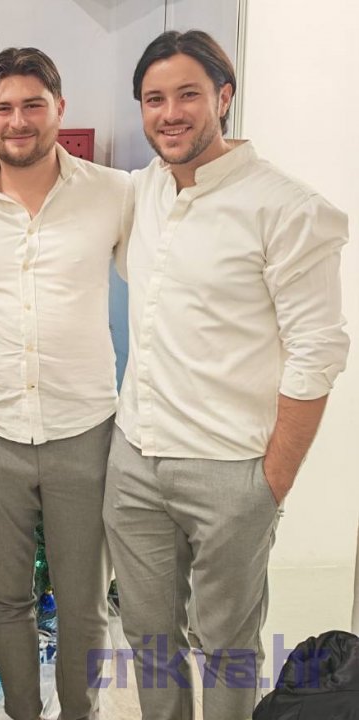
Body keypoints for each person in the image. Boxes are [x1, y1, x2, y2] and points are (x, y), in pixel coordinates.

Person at [103, 30, 349, 720]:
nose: (169, 113)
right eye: (154, 99)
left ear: (224, 96)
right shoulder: (141, 191)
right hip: (134, 459)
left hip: (231, 470)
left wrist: (270, 483)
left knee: (225, 646)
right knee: (148, 637)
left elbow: (317, 351)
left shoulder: (286, 208)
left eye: (187, 94)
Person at [0, 47, 133, 720]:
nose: (17, 121)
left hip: (85, 430)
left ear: (58, 108)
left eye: (32, 105)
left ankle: (81, 713)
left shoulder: (115, 193)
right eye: (2, 108)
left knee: (83, 602)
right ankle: (22, 712)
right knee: (6, 597)